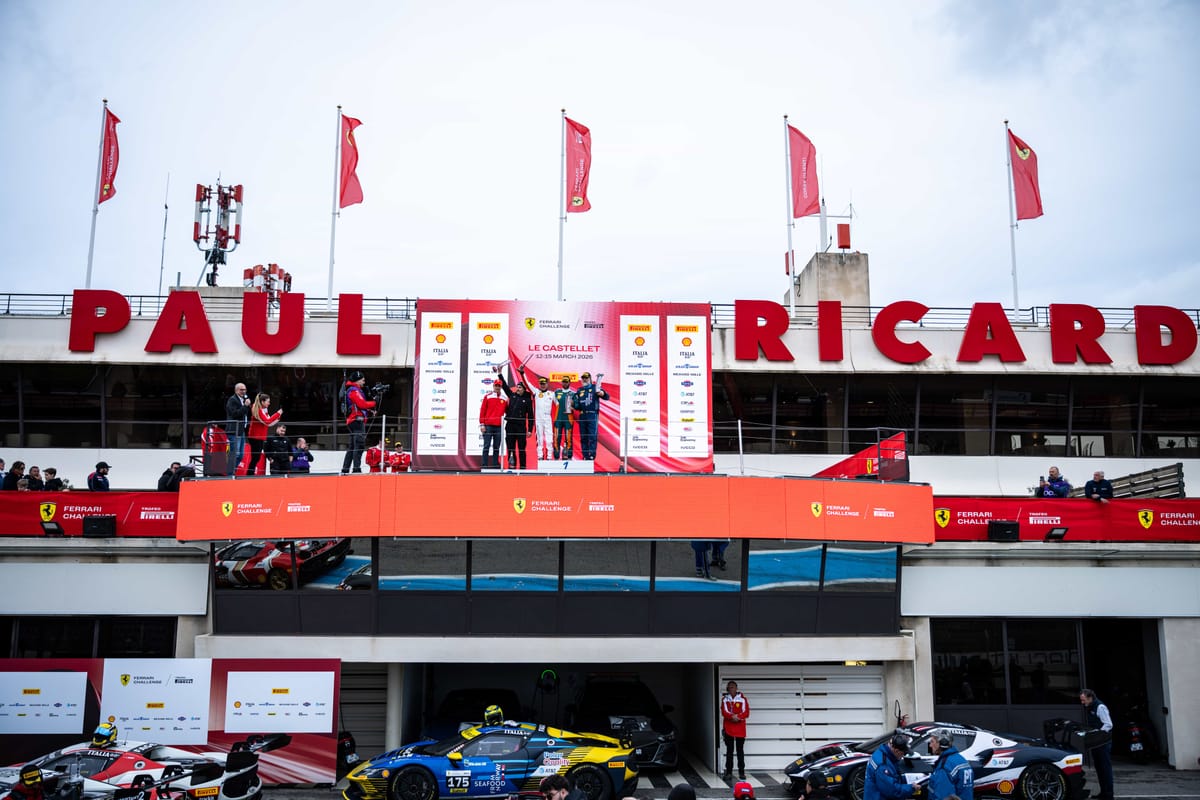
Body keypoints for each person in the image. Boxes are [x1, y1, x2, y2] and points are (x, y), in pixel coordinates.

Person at [1080, 689, 1114, 800]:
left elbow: (1108, 724)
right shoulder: (1090, 707)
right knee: (1099, 769)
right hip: (1096, 743)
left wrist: (1097, 734)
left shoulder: (1100, 707)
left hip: (1103, 742)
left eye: (1083, 700)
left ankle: (1109, 795)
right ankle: (1103, 793)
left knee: (1105, 769)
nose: (1082, 703)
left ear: (1090, 698)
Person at [341, 371, 377, 474]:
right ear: (357, 380)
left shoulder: (352, 390)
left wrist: (369, 410)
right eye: (362, 380)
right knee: (359, 445)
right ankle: (356, 469)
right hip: (357, 420)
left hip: (353, 420)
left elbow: (357, 405)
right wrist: (374, 403)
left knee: (352, 447)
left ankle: (345, 469)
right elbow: (362, 404)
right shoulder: (354, 390)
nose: (364, 382)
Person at [864, 733, 917, 800]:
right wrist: (911, 788)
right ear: (896, 750)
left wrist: (906, 778)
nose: (903, 756)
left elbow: (891, 777)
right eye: (904, 753)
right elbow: (892, 791)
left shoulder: (882, 753)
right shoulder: (883, 765)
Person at [573, 372, 609, 460]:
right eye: (583, 378)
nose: (585, 380)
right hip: (582, 415)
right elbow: (577, 406)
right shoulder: (579, 390)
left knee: (592, 436)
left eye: (586, 378)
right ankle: (585, 456)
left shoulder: (595, 387)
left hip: (592, 414)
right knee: (583, 437)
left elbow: (607, 397)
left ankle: (592, 455)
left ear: (590, 379)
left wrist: (602, 393)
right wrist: (572, 404)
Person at [500, 373, 534, 469]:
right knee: (510, 447)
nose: (518, 389)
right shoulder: (512, 395)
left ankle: (523, 467)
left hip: (521, 427)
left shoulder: (527, 400)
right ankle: (512, 465)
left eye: (520, 387)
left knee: (521, 448)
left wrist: (530, 430)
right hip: (510, 425)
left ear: (524, 389)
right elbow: (504, 386)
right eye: (517, 387)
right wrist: (500, 374)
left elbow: (530, 416)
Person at [927, 728, 973, 800]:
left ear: (942, 743)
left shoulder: (945, 766)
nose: (930, 745)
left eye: (932, 742)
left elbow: (944, 796)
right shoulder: (962, 760)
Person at [246, 393, 282, 475]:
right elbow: (267, 421)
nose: (269, 403)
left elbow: (269, 423)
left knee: (256, 457)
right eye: (268, 401)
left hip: (260, 436)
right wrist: (278, 413)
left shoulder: (263, 410)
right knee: (256, 457)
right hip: (255, 436)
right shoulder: (258, 410)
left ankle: (250, 473)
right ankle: (249, 473)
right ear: (262, 402)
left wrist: (277, 418)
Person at [720, 679, 750, 780]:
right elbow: (724, 712)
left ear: (736, 688)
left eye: (732, 687)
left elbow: (746, 712)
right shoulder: (725, 699)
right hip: (728, 729)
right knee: (729, 751)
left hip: (740, 729)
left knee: (740, 751)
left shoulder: (742, 699)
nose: (731, 689)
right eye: (729, 687)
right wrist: (732, 716)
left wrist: (738, 717)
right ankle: (729, 772)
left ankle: (742, 772)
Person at [479, 379, 508, 469]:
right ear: (493, 386)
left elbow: (507, 411)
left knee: (496, 447)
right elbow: (482, 410)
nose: (497, 387)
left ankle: (495, 465)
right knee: (486, 446)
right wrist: (482, 424)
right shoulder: (487, 396)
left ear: (501, 387)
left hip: (499, 426)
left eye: (499, 386)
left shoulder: (504, 398)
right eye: (496, 385)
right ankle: (484, 465)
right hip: (488, 426)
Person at [225, 382, 251, 474]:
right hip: (234, 430)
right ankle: (230, 474)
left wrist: (246, 406)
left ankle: (232, 472)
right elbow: (234, 414)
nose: (243, 391)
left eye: (245, 390)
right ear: (236, 390)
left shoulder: (243, 399)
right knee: (235, 454)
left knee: (240, 455)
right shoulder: (232, 400)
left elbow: (245, 413)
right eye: (241, 390)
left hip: (241, 430)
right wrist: (245, 406)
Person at [532, 375, 556, 461]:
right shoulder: (536, 392)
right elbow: (527, 383)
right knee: (539, 439)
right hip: (538, 419)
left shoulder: (552, 394)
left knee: (549, 438)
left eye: (544, 384)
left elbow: (558, 404)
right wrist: (522, 373)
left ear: (547, 384)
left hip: (548, 419)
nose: (542, 385)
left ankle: (549, 457)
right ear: (539, 384)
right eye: (541, 384)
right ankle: (540, 456)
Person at [553, 376, 576, 459]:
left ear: (569, 382)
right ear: (561, 382)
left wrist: (573, 405)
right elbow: (554, 402)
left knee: (568, 438)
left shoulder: (573, 394)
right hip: (558, 418)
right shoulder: (556, 392)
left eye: (566, 382)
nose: (565, 383)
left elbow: (577, 405)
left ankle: (569, 456)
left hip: (568, 419)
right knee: (556, 438)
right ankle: (556, 456)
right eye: (564, 382)